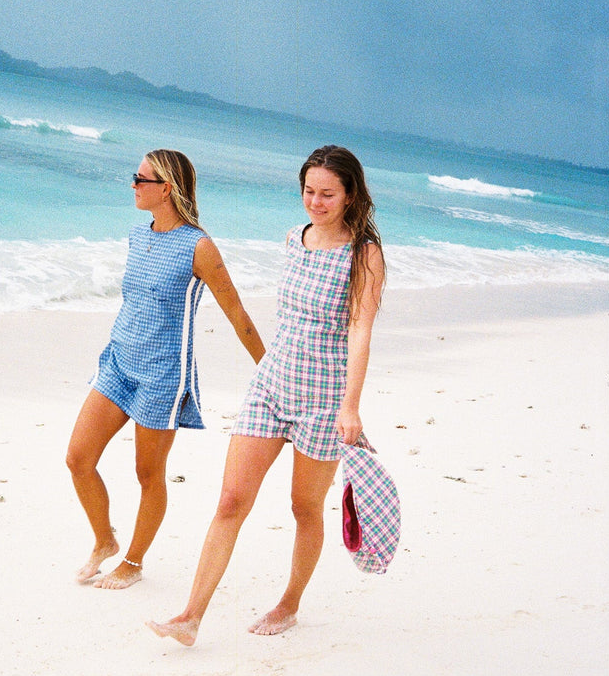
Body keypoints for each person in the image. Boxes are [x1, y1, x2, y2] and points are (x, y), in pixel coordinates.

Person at [147, 144, 385, 644]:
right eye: (308, 191)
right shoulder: (294, 239)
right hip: (271, 386)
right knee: (231, 499)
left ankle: (289, 603)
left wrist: (351, 406)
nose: (315, 202)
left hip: (323, 399)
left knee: (304, 508)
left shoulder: (364, 255)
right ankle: (189, 618)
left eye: (327, 194)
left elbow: (360, 331)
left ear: (349, 195)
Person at [67, 149, 265, 590]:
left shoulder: (199, 246)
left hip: (162, 376)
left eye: (141, 179)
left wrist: (269, 370)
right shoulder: (138, 235)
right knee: (78, 459)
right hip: (118, 362)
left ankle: (132, 562)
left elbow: (236, 312)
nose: (133, 185)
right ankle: (105, 541)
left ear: (167, 188)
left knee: (147, 475)